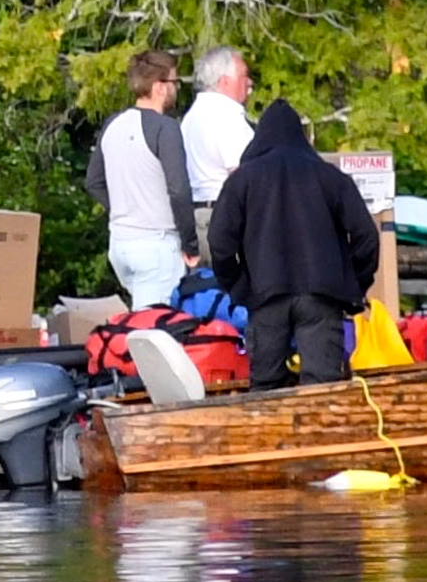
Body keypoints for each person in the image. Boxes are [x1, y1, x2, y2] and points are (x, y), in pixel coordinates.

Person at [207, 95, 380, 387]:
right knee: (323, 391)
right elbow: (366, 237)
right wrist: (352, 285)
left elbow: (220, 242)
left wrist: (238, 287)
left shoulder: (241, 181)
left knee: (266, 392)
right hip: (321, 297)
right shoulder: (331, 178)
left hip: (264, 297)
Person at [93, 47, 204, 314]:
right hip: (156, 245)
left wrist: (125, 209)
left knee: (140, 324)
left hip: (120, 243)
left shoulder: (112, 125)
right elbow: (178, 190)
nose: (176, 88)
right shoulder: (165, 128)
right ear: (160, 86)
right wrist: (191, 245)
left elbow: (94, 182)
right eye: (174, 82)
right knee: (156, 337)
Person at [184, 46, 260, 224]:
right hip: (225, 216)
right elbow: (242, 173)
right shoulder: (227, 115)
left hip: (197, 215)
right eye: (243, 76)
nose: (249, 82)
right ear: (225, 82)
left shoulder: (191, 116)